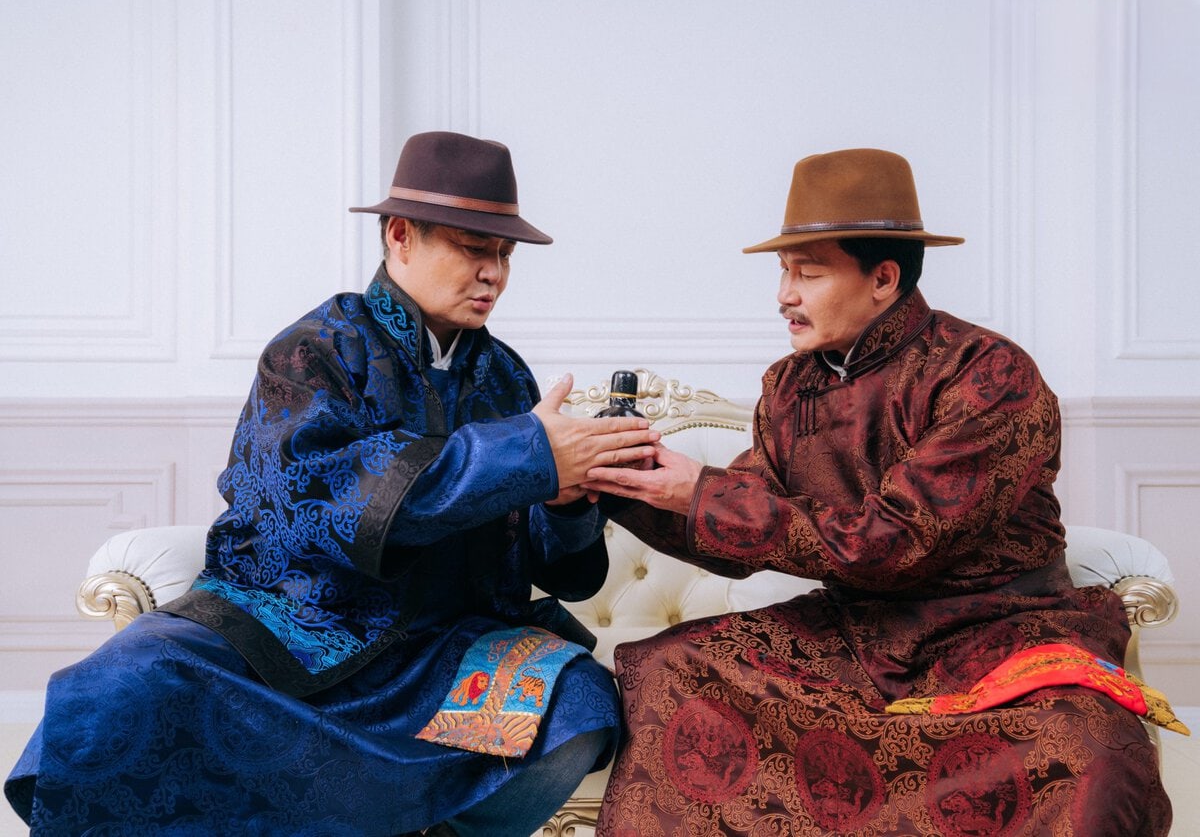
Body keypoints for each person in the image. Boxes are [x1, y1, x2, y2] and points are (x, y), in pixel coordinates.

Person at [5, 131, 660, 836]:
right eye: (475, 248)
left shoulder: (507, 376)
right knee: (128, 676)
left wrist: (563, 502)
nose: (494, 273)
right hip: (298, 632)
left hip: (446, 651)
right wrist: (526, 451)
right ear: (401, 236)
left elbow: (555, 566)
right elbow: (320, 503)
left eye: (503, 255)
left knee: (580, 706)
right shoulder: (312, 350)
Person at [585, 148, 1180, 835]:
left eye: (806, 273)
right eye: (783, 271)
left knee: (1091, 751)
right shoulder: (789, 385)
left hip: (1001, 632)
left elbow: (894, 540)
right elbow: (744, 526)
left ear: (883, 277)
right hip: (855, 637)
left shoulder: (989, 375)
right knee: (670, 668)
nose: (784, 294)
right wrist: (626, 485)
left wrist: (700, 490)